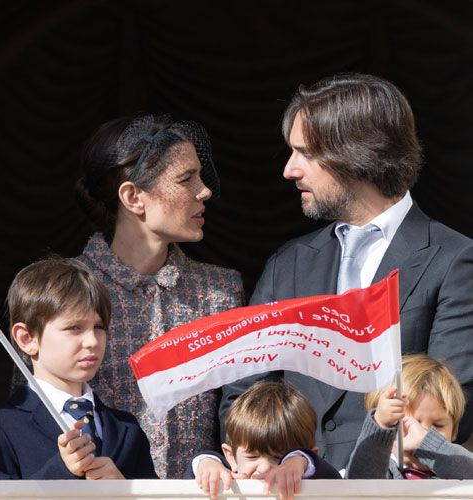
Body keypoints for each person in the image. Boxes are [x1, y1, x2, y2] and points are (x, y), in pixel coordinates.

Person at [220, 73, 473, 471]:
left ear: (357, 154)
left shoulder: (455, 259)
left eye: (305, 153)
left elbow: (456, 401)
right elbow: (242, 392)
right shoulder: (289, 262)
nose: (290, 170)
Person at [75, 114, 245, 478]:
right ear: (133, 196)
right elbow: (37, 414)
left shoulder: (220, 292)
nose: (205, 191)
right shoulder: (66, 288)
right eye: (186, 179)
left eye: (200, 176)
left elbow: (239, 410)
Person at [0, 257, 157, 480]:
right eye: (74, 328)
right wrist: (62, 473)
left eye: (99, 327)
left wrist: (125, 491)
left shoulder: (126, 427)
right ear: (27, 338)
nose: (92, 341)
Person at [188, 381, 340, 500]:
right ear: (230, 456)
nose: (265, 467)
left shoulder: (311, 478)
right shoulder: (230, 489)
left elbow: (335, 481)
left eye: (280, 457)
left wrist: (301, 461)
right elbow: (186, 485)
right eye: (252, 456)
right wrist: (206, 463)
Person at [347, 354, 473, 479]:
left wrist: (429, 443)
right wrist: (380, 428)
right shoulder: (381, 468)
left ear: (454, 431)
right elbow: (360, 483)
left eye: (438, 425)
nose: (422, 432)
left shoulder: (456, 469)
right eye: (408, 423)